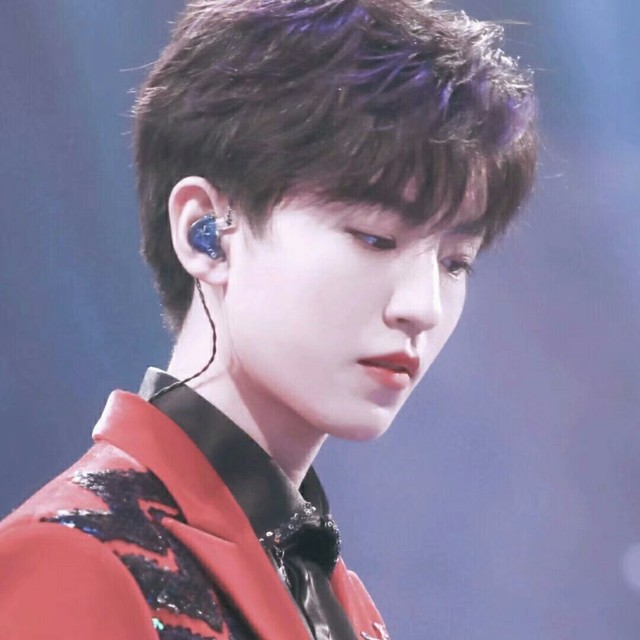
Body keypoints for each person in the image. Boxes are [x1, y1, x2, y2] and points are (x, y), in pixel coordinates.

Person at [0, 0, 537, 638]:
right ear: (206, 232)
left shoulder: (342, 603)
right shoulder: (75, 560)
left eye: (455, 262)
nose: (423, 307)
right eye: (374, 237)